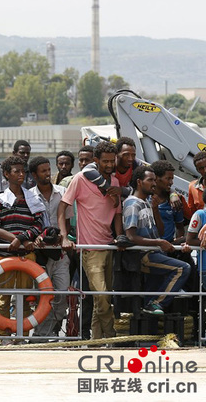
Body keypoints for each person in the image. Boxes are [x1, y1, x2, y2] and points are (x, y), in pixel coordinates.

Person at [59, 141, 123, 340]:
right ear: (96, 161)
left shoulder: (115, 183)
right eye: (105, 161)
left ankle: (96, 342)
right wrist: (64, 237)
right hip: (89, 248)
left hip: (109, 245)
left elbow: (118, 214)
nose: (110, 165)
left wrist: (119, 237)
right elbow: (62, 208)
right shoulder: (79, 179)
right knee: (102, 296)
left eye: (112, 161)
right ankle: (111, 335)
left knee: (101, 299)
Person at [0, 156, 45, 344]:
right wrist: (14, 239)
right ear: (6, 174)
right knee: (3, 299)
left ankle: (22, 336)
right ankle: (4, 337)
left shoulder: (32, 198)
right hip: (4, 256)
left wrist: (21, 239)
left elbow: (39, 225)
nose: (21, 175)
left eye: (23, 171)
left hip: (26, 256)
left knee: (25, 298)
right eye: (16, 171)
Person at [123, 166, 190, 315]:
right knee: (182, 268)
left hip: (154, 252)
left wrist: (155, 209)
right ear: (140, 182)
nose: (154, 183)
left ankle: (149, 308)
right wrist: (159, 243)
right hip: (143, 255)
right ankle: (156, 303)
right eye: (150, 180)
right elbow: (131, 236)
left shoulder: (147, 203)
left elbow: (160, 232)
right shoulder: (133, 204)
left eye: (154, 180)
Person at [28, 156, 73, 339]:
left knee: (61, 294)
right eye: (43, 171)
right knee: (42, 297)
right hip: (39, 255)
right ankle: (41, 335)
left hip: (60, 253)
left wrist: (62, 239)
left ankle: (48, 331)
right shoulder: (28, 195)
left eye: (48, 170)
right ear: (34, 174)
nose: (47, 174)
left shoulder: (63, 192)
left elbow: (67, 221)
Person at [151, 160, 185, 244]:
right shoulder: (145, 198)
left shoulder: (175, 201)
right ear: (156, 178)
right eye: (168, 178)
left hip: (169, 246)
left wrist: (177, 246)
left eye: (172, 179)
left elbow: (180, 227)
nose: (171, 182)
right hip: (150, 246)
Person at [187, 151, 206, 217]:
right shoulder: (193, 187)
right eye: (201, 168)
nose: (205, 170)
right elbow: (191, 214)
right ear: (197, 170)